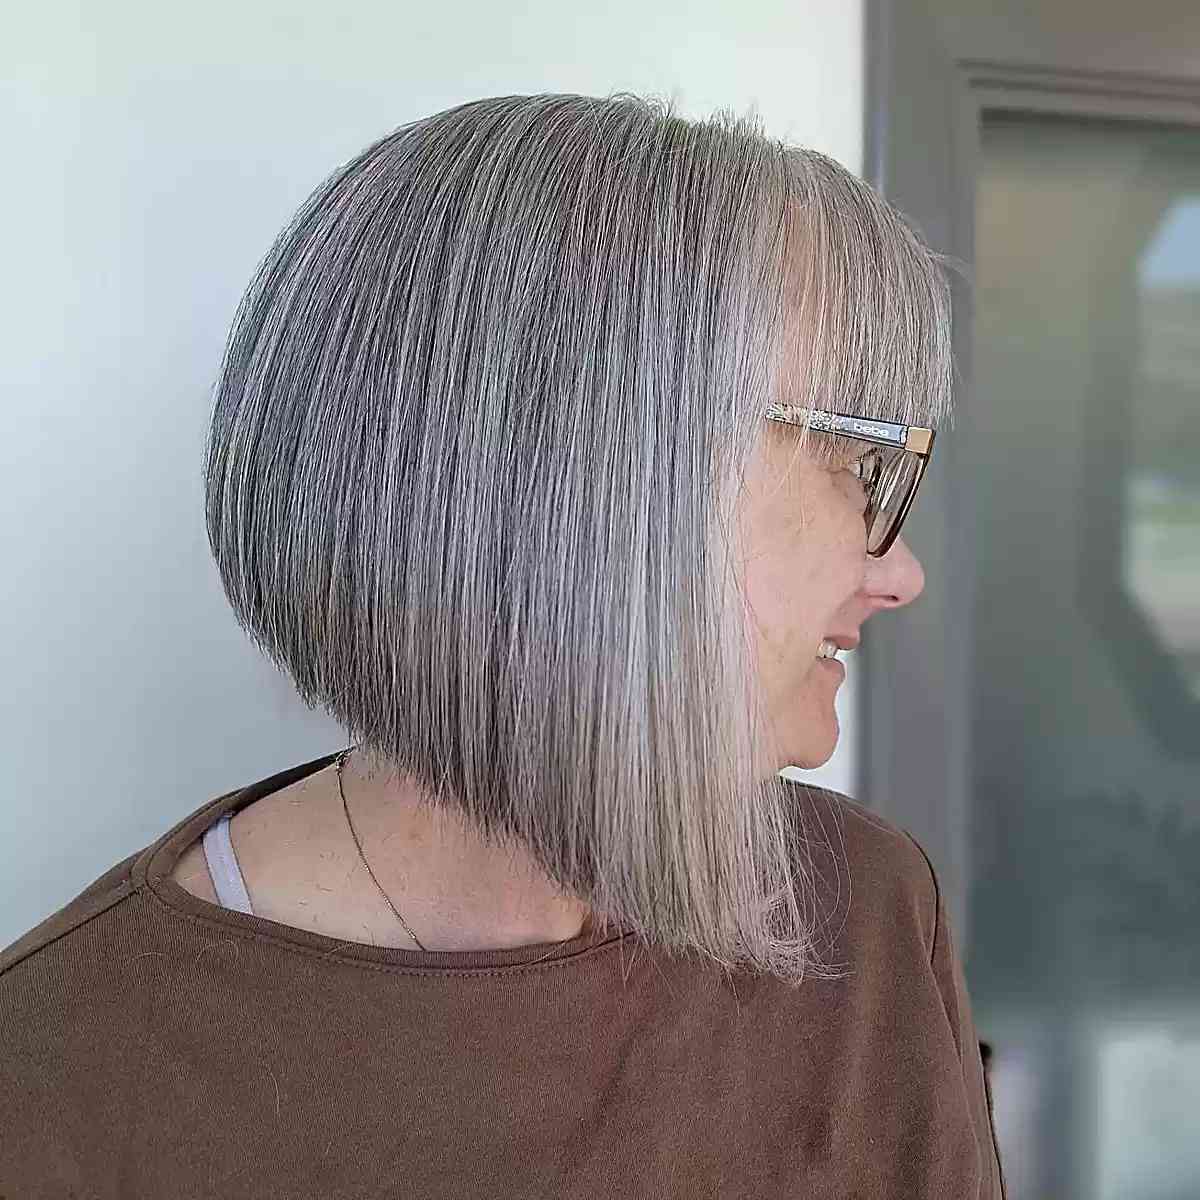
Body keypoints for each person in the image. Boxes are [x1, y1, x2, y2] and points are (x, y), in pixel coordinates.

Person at [0, 92, 1006, 1197]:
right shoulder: (54, 1085)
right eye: (857, 465)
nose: (897, 572)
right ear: (585, 489)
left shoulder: (859, 907)